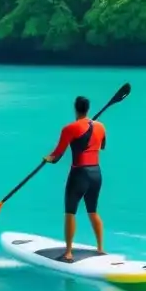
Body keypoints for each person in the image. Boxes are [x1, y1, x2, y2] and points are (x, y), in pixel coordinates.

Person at [43, 95, 106, 262]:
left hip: (79, 174)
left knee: (70, 212)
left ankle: (69, 252)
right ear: (88, 109)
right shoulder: (100, 126)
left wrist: (47, 159)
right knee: (93, 211)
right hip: (96, 173)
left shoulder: (69, 128)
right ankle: (100, 249)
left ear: (75, 108)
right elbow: (102, 146)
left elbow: (57, 156)